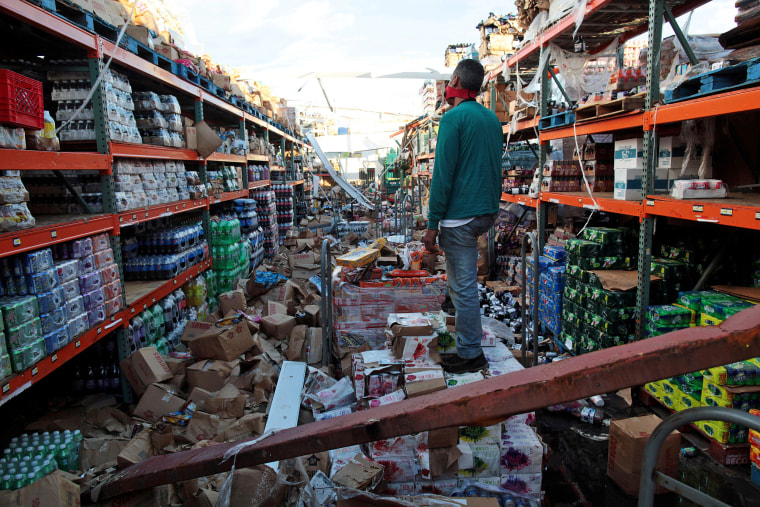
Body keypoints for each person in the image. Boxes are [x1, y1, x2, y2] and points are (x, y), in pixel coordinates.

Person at [423, 59, 503, 374]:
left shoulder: (453, 119)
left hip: (460, 218)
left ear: (455, 80)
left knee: (463, 286)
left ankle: (471, 353)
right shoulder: (491, 119)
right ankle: (462, 332)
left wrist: (432, 225)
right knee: (462, 284)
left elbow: (443, 176)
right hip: (486, 212)